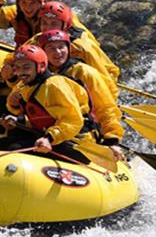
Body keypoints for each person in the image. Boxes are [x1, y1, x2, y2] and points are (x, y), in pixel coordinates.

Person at [0, 45, 93, 165]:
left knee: (13, 148)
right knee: (2, 143)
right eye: (18, 68)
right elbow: (43, 117)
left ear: (41, 66)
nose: (21, 72)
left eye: (26, 67)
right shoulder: (29, 86)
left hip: (75, 143)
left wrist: (49, 139)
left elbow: (73, 121)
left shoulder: (54, 86)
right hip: (54, 135)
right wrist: (18, 120)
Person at [38, 30, 125, 161]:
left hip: (80, 136)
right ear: (43, 51)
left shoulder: (85, 73)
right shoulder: (41, 72)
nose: (57, 52)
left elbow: (106, 108)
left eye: (61, 47)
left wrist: (112, 140)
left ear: (69, 48)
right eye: (51, 48)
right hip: (49, 131)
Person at [34, 1, 120, 99]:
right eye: (44, 23)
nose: (48, 28)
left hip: (100, 76)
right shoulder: (38, 39)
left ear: (64, 25)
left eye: (54, 23)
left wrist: (109, 101)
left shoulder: (81, 47)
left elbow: (105, 80)